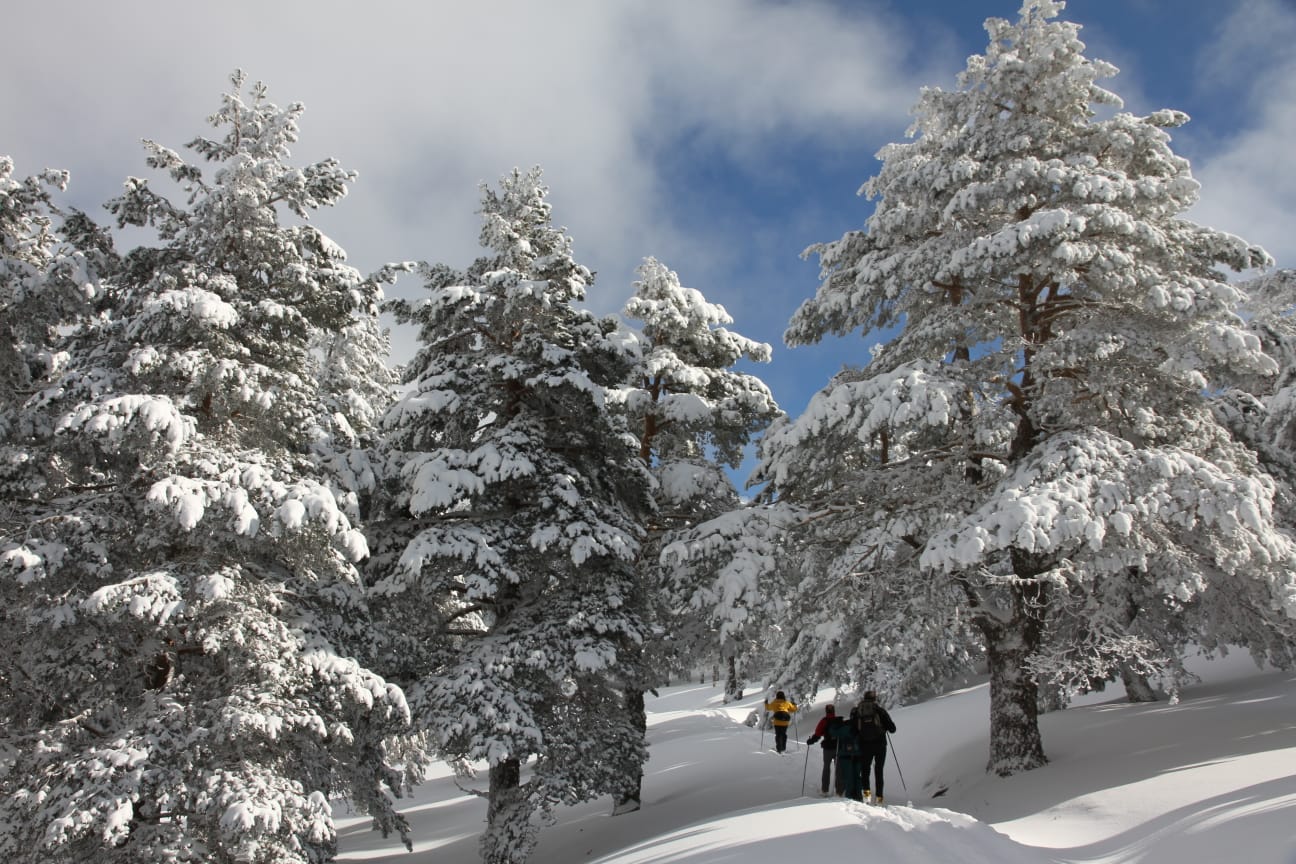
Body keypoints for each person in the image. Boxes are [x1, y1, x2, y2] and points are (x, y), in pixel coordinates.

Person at [855, 690, 897, 804]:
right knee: (879, 771)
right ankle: (879, 799)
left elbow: (853, 730)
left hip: (864, 745)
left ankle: (866, 796)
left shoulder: (858, 711)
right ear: (874, 699)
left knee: (865, 770)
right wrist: (884, 728)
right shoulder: (879, 710)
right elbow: (893, 729)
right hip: (880, 745)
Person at [805, 703, 845, 796]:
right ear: (834, 711)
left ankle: (825, 790)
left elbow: (818, 733)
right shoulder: (839, 721)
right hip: (838, 747)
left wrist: (811, 741)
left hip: (827, 748)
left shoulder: (824, 721)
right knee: (838, 769)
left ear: (826, 711)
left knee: (826, 768)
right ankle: (839, 791)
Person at [829, 706, 865, 800]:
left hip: (845, 755)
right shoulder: (863, 726)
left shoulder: (845, 726)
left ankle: (850, 798)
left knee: (848, 778)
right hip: (860, 755)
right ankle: (859, 797)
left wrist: (835, 723)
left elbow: (833, 733)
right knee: (858, 777)